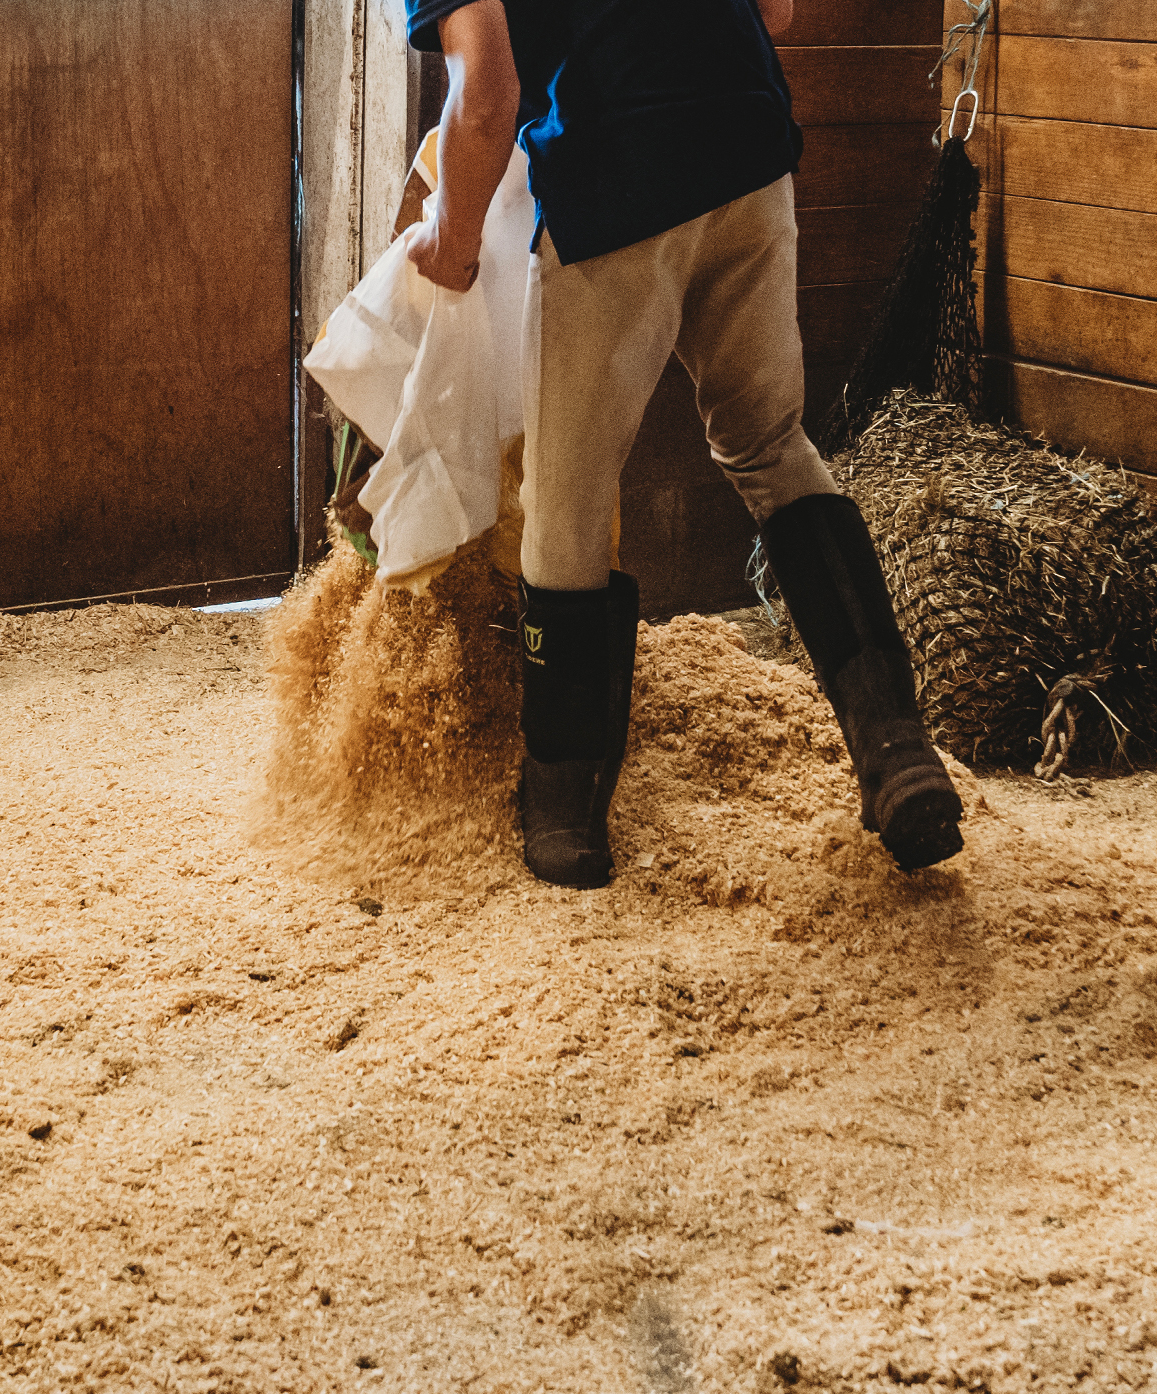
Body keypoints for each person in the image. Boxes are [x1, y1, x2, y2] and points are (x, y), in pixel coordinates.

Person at [401, 0, 963, 888]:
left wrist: (454, 239)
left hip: (619, 167)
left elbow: (486, 97)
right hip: (746, 138)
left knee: (568, 495)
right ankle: (895, 745)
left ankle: (565, 813)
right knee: (770, 442)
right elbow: (774, 11)